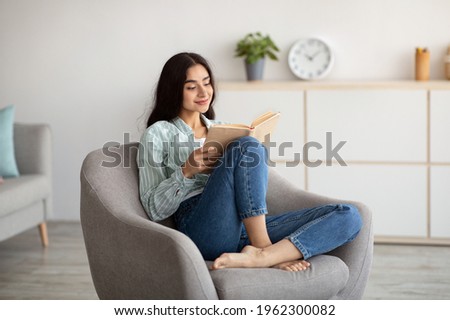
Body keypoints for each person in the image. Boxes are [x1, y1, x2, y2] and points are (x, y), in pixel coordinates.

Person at [137, 52, 362, 272]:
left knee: (349, 216)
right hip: (202, 228)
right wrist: (185, 172)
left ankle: (262, 256)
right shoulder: (158, 134)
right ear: (174, 90)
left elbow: (251, 181)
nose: (203, 92)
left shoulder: (223, 127)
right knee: (248, 145)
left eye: (207, 83)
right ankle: (263, 249)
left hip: (245, 226)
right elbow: (153, 209)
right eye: (192, 86)